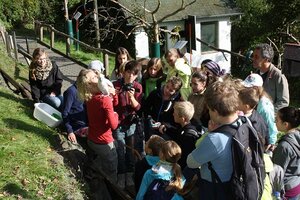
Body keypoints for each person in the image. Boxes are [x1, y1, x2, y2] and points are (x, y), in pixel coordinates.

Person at [187, 80, 239, 200]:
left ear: (215, 111)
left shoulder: (215, 139)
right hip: (235, 183)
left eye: (209, 110)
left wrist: (208, 133)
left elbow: (191, 162)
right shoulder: (245, 123)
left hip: (215, 186)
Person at [77, 69, 119, 184]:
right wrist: (116, 115)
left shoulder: (90, 97)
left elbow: (114, 103)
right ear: (89, 84)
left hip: (92, 139)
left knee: (100, 162)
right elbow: (114, 125)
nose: (99, 78)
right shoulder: (104, 99)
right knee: (112, 170)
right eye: (95, 77)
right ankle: (112, 190)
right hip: (105, 142)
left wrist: (113, 95)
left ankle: (97, 176)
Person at [113, 60, 143, 188]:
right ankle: (121, 175)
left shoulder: (137, 87)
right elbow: (112, 105)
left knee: (130, 151)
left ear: (137, 76)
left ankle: (130, 174)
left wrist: (131, 98)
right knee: (120, 150)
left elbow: (138, 108)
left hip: (131, 123)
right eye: (129, 72)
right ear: (124, 72)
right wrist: (116, 94)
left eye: (134, 74)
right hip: (119, 123)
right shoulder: (116, 85)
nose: (131, 76)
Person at [242, 73, 278, 151]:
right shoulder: (254, 99)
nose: (244, 89)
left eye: (247, 87)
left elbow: (270, 124)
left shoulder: (264, 107)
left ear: (256, 88)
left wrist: (271, 142)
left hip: (264, 142)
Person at [252, 43, 289, 112]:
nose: (253, 59)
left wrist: (268, 113)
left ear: (266, 59)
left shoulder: (278, 76)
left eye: (256, 57)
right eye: (253, 56)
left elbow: (283, 102)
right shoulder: (255, 75)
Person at [273, 106, 300, 200]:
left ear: (285, 124)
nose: (274, 122)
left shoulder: (284, 146)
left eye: (276, 120)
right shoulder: (297, 135)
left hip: (287, 190)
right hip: (296, 185)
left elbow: (277, 173)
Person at [143, 76, 182, 140]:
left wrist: (165, 125)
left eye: (171, 90)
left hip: (165, 132)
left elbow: (176, 120)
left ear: (175, 92)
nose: (167, 90)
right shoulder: (155, 93)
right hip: (151, 127)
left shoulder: (177, 101)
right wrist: (149, 117)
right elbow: (146, 107)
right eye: (167, 87)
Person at [166, 101, 200, 169]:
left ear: (182, 119)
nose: (173, 114)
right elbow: (177, 132)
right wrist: (166, 128)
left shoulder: (188, 136)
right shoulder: (184, 127)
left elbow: (184, 157)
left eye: (175, 113)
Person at [62, 70, 88, 144]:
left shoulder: (85, 90)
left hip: (85, 122)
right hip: (76, 126)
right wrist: (70, 131)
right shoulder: (71, 91)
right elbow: (65, 112)